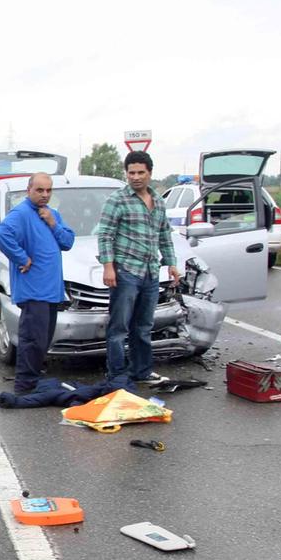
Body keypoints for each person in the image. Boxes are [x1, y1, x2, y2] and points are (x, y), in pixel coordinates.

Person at [96, 150, 180, 385]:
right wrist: (108, 267)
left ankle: (141, 371)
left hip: (151, 273)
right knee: (119, 328)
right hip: (126, 272)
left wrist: (171, 263)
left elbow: (164, 234)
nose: (135, 177)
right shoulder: (117, 200)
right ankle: (117, 374)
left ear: (150, 173)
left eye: (140, 172)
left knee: (143, 327)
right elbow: (105, 235)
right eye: (131, 172)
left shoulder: (159, 201)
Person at [0, 173, 75, 394]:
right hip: (33, 290)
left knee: (43, 339)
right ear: (29, 190)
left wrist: (52, 223)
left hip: (51, 290)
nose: (45, 195)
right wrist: (22, 258)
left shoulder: (52, 214)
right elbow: (1, 235)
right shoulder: (21, 213)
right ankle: (25, 385)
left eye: (48, 190)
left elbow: (68, 242)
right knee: (32, 339)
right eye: (39, 190)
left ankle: (33, 379)